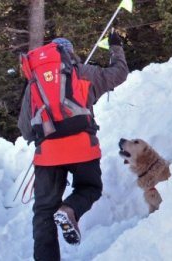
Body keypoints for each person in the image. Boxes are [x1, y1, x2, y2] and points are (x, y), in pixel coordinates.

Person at [18, 31, 129, 261]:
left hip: (48, 155)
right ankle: (70, 210)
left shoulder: (35, 83)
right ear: (71, 53)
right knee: (89, 188)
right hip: (82, 147)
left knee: (44, 212)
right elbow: (119, 73)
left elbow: (25, 128)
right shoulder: (84, 73)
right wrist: (116, 47)